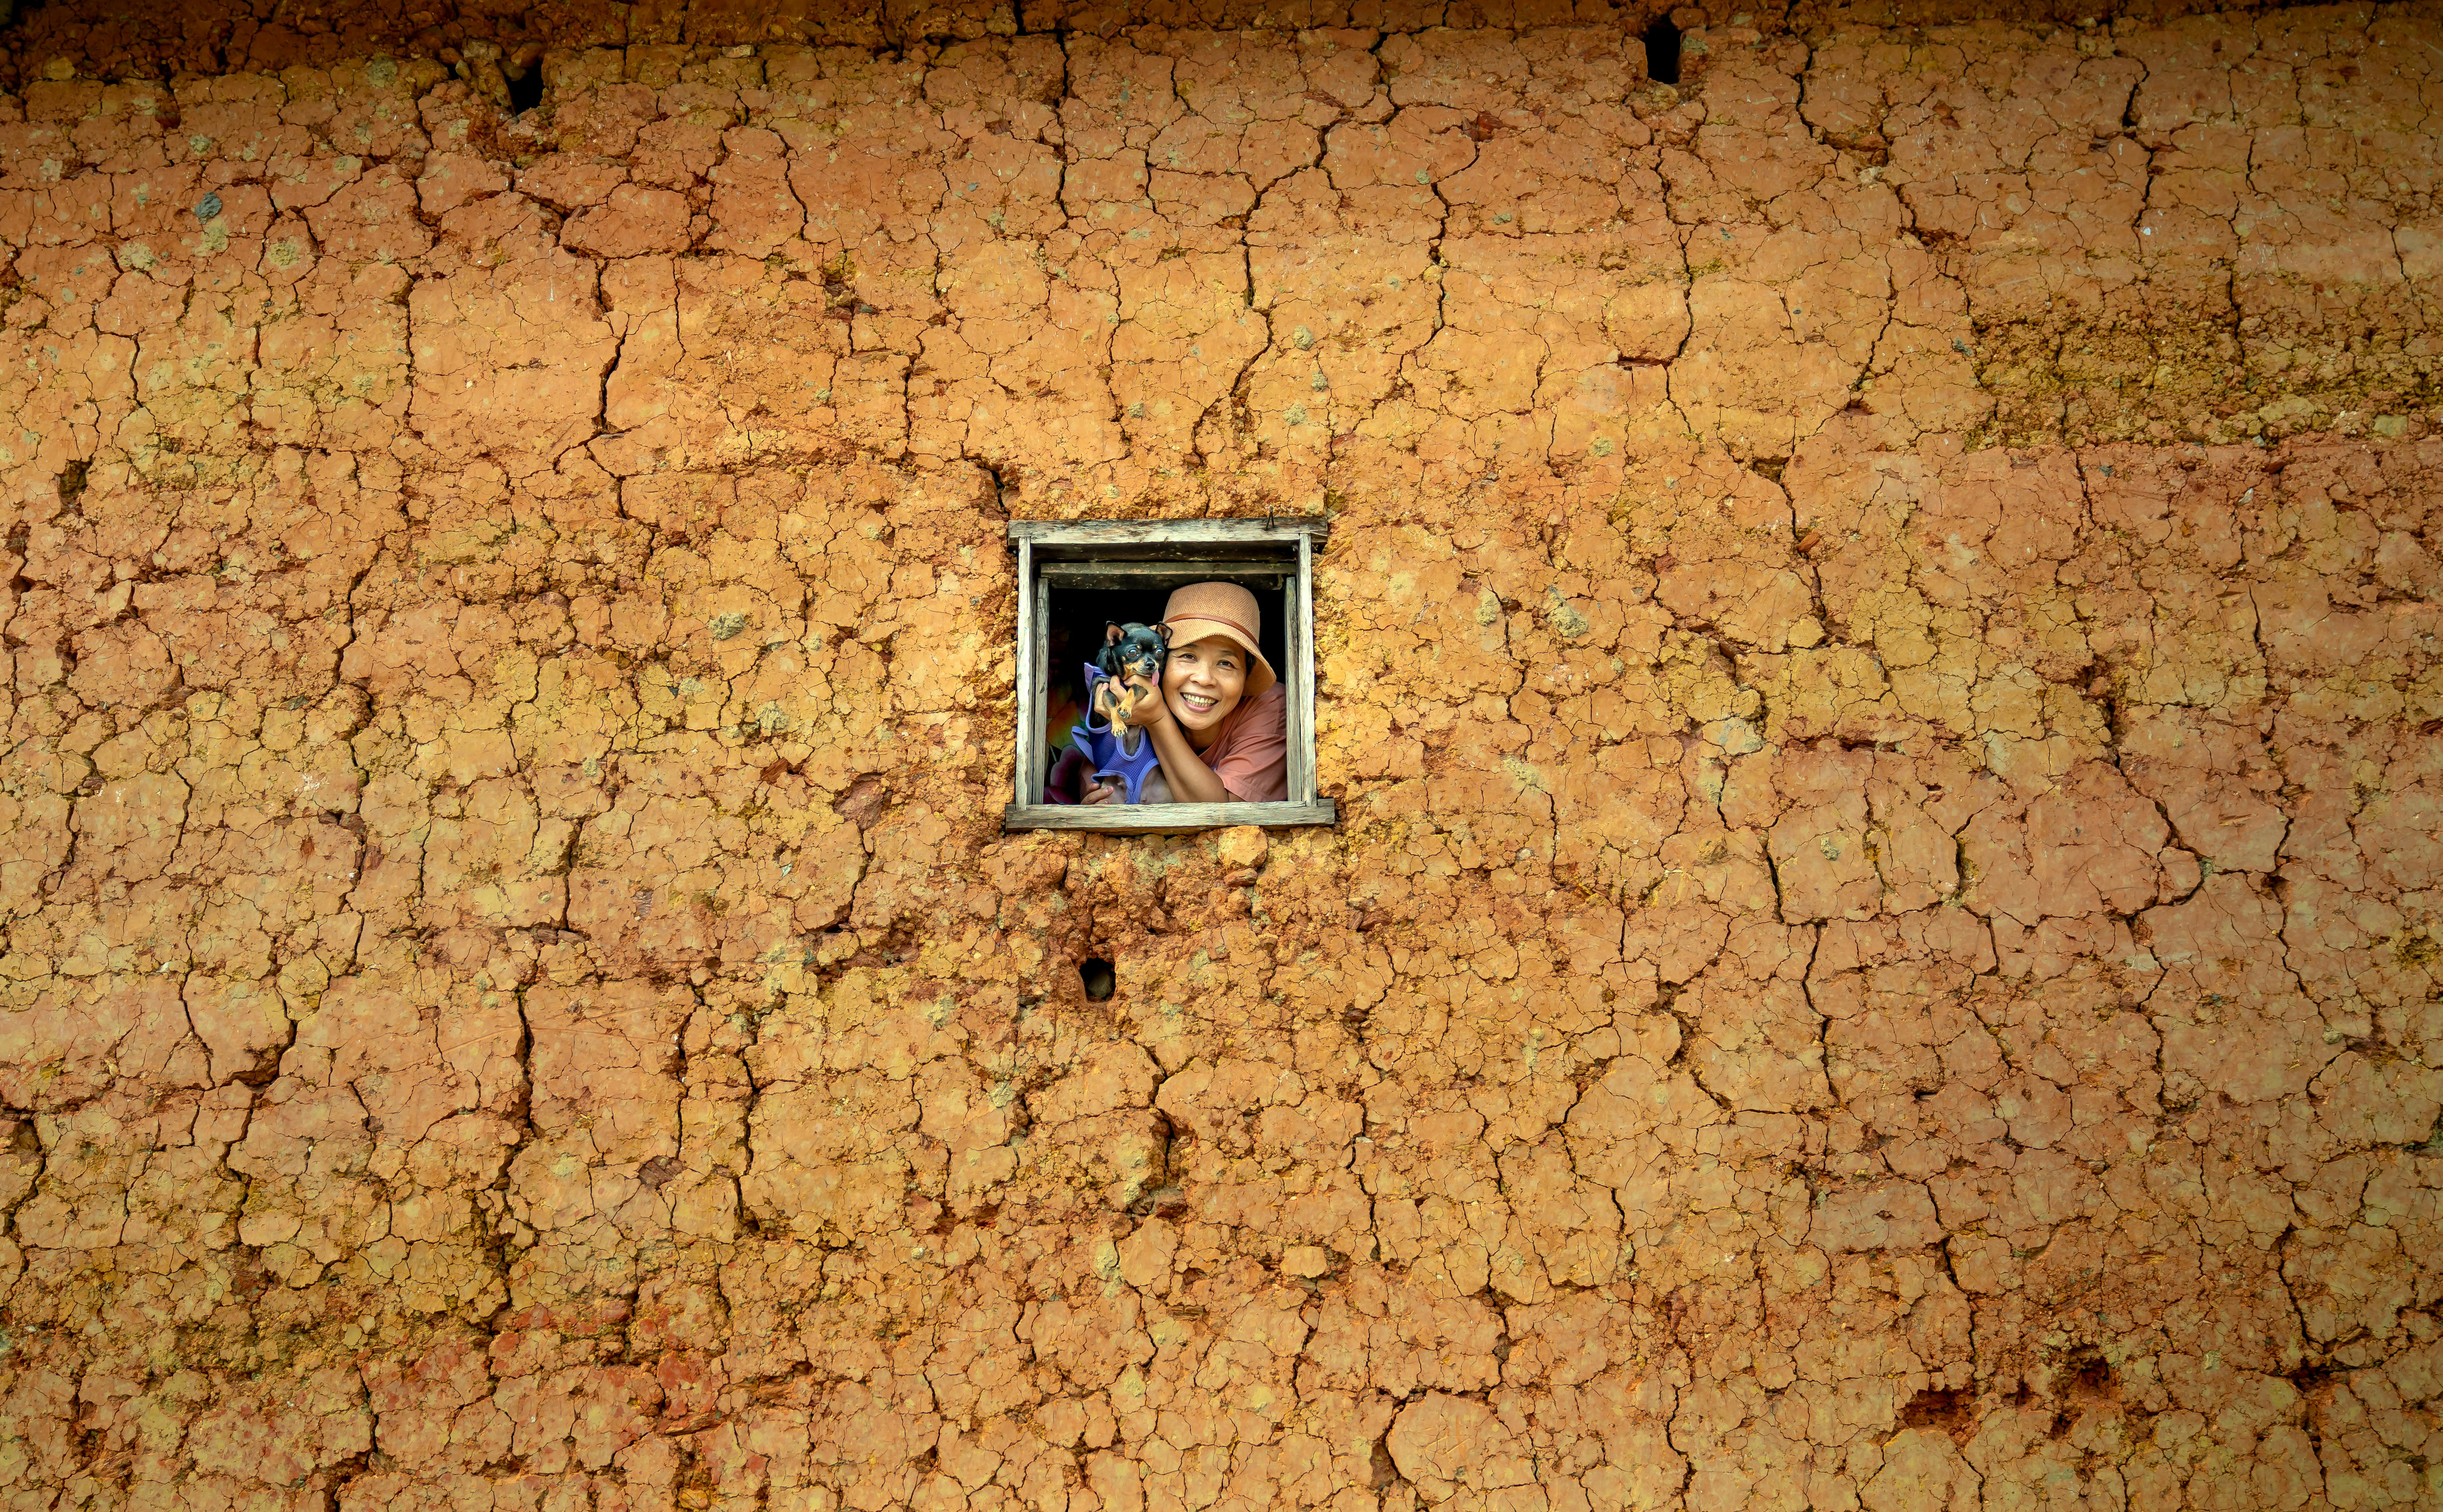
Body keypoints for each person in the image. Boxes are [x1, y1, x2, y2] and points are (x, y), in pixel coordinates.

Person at [1083, 580, 1287, 804]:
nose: (1204, 678)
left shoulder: (1272, 707)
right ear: (1161, 663)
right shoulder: (1135, 694)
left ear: (1247, 676)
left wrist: (1158, 719)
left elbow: (1223, 815)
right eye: (1188, 656)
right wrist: (1091, 788)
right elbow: (1095, 760)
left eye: (1227, 663)